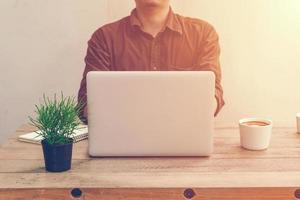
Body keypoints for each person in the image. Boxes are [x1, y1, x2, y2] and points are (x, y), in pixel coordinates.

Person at [78, 0, 225, 123]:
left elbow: (213, 94)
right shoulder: (104, 38)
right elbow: (86, 103)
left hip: (184, 139)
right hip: (121, 143)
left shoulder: (202, 34)